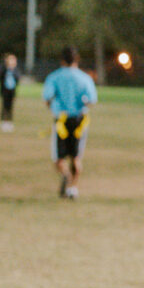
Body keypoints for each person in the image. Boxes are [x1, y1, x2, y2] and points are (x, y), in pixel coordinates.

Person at [43, 45, 97, 199]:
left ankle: (65, 175)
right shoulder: (84, 78)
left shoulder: (54, 77)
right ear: (77, 59)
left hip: (61, 120)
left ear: (62, 60)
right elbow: (91, 100)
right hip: (79, 120)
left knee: (59, 158)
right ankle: (73, 188)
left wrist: (53, 106)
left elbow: (47, 98)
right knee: (76, 157)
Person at [0, 52, 20, 132]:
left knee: (10, 107)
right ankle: (3, 122)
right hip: (5, 91)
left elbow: (18, 79)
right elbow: (0, 77)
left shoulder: (15, 70)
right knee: (4, 107)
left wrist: (13, 69)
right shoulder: (4, 69)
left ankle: (9, 122)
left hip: (12, 91)